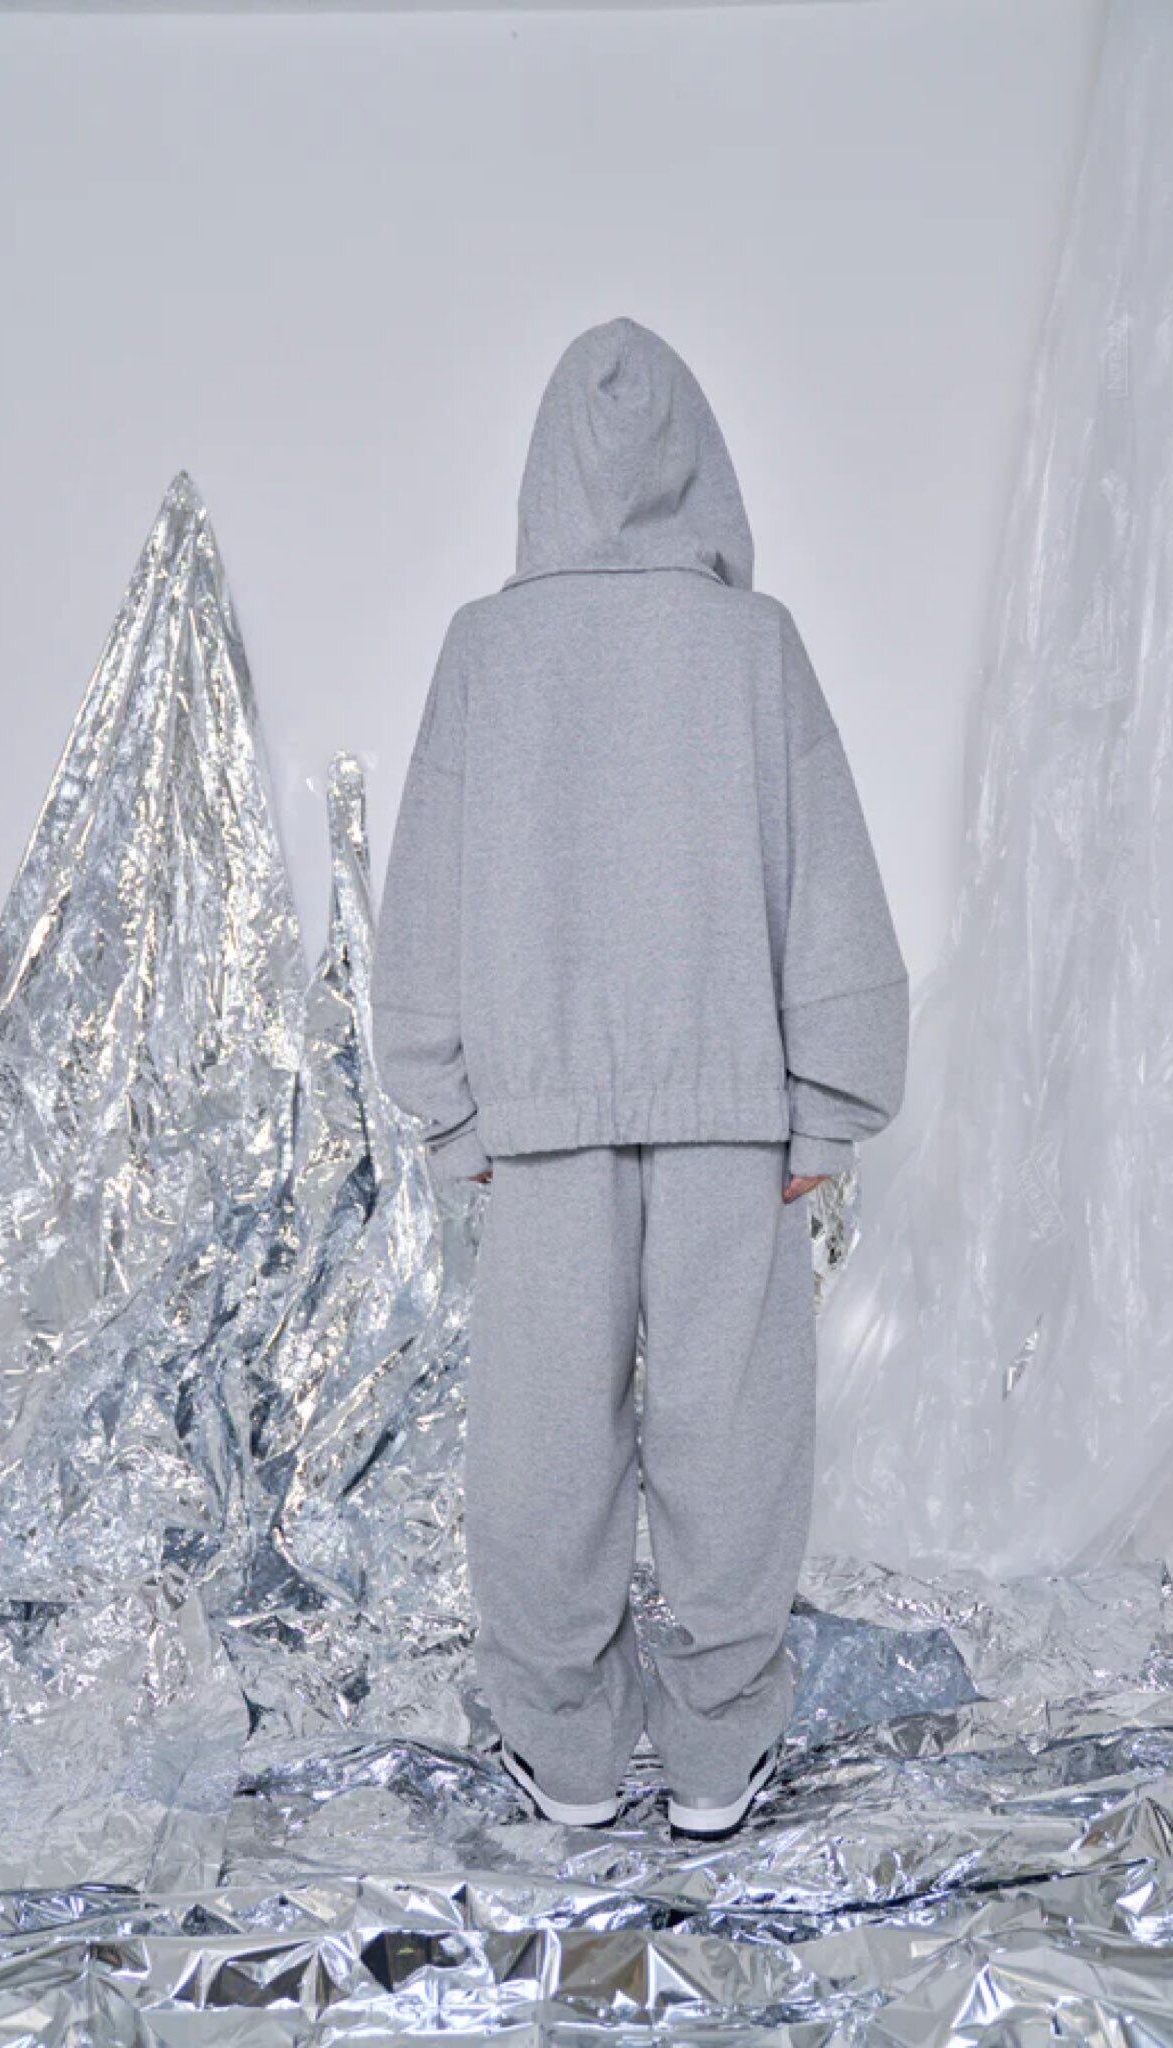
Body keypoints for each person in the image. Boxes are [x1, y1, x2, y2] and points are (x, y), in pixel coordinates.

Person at [372, 317, 908, 1839]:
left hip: (543, 1119)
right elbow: (830, 881)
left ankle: (570, 1754)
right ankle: (719, 1757)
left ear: (547, 468)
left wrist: (449, 1098)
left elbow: (428, 886)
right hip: (734, 1108)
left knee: (544, 1441)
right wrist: (830, 1101)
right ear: (700, 461)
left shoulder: (488, 647)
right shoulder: (754, 646)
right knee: (733, 1431)